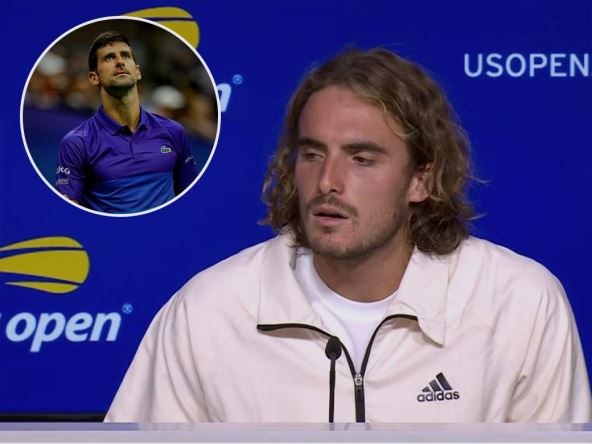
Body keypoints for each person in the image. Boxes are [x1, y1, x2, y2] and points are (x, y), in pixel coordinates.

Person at [105, 48, 591, 422]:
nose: (327, 181)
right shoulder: (208, 312)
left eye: (362, 158)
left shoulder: (517, 303)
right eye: (312, 154)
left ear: (421, 179)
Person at [55, 32, 198, 214]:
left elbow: (192, 200)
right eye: (109, 57)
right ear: (94, 77)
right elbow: (68, 214)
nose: (120, 62)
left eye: (125, 55)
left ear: (137, 71)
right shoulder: (76, 142)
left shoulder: (174, 131)